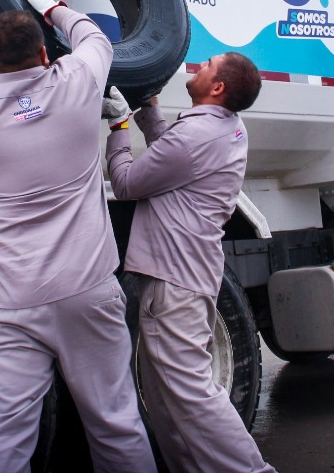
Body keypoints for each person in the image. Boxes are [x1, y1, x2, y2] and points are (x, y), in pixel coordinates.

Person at [0, 0, 156, 473]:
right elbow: (93, 38)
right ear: (44, 52)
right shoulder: (78, 83)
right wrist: (52, 6)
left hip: (6, 305)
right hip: (86, 291)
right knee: (117, 423)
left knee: (6, 441)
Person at [102, 53, 275, 473]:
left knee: (190, 395)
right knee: (164, 401)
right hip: (190, 275)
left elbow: (125, 183)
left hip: (174, 282)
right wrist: (150, 112)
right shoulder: (229, 127)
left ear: (217, 88)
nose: (200, 67)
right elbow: (177, 155)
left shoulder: (196, 135)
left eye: (209, 65)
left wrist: (120, 126)